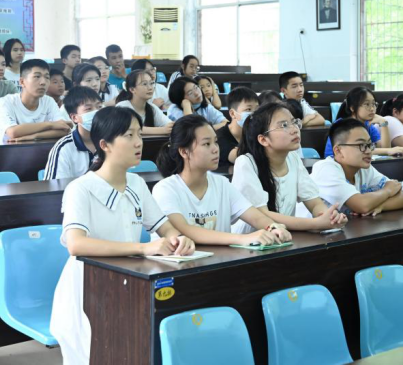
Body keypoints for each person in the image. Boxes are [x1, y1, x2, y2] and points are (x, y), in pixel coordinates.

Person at [50, 106, 194, 365]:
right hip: (86, 289)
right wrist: (143, 248)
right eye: (129, 135)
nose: (138, 142)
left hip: (126, 282)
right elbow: (76, 244)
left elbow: (164, 226)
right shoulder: (80, 188)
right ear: (104, 144)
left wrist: (178, 239)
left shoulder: (136, 183)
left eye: (139, 134)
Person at [153, 115, 292, 246]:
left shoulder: (222, 184)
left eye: (215, 142)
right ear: (184, 152)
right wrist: (242, 239)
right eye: (206, 144)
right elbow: (185, 230)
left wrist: (272, 227)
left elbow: (256, 217)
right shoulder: (165, 189)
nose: (215, 149)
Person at [230, 102, 347, 233]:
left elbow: (314, 203)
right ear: (263, 140)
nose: (294, 129)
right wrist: (315, 224)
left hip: (285, 237)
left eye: (294, 122)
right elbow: (262, 215)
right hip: (251, 239)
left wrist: (329, 217)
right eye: (284, 125)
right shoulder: (246, 163)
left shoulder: (293, 158)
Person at [312, 118, 403, 216]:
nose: (368, 151)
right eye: (361, 145)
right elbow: (362, 205)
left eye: (369, 144)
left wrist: (380, 206)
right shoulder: (325, 170)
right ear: (338, 151)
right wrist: (387, 191)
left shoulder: (363, 168)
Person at [0, 59, 71, 144]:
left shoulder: (48, 101)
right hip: (8, 150)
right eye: (37, 77)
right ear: (22, 82)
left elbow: (65, 129)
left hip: (41, 150)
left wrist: (34, 136)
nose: (43, 82)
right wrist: (50, 124)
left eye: (47, 77)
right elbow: (12, 132)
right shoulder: (6, 102)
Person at [324, 87, 403, 157]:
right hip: (336, 163)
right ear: (352, 108)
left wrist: (383, 123)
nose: (372, 109)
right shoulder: (344, 125)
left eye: (373, 104)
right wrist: (387, 151)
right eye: (367, 104)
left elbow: (384, 148)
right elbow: (358, 150)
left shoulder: (368, 125)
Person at [44, 87, 102, 180]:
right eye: (88, 109)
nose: (97, 112)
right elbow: (54, 185)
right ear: (75, 118)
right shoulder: (64, 147)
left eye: (99, 107)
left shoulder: (112, 142)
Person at [115, 69, 173, 135]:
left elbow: (169, 125)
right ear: (132, 89)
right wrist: (163, 130)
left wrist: (171, 127)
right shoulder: (122, 106)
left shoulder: (152, 108)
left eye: (151, 83)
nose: (150, 88)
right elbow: (130, 128)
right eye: (144, 84)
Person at [217, 87, 260, 166]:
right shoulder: (219, 136)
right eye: (248, 109)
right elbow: (237, 158)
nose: (254, 114)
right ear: (233, 114)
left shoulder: (258, 131)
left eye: (257, 109)